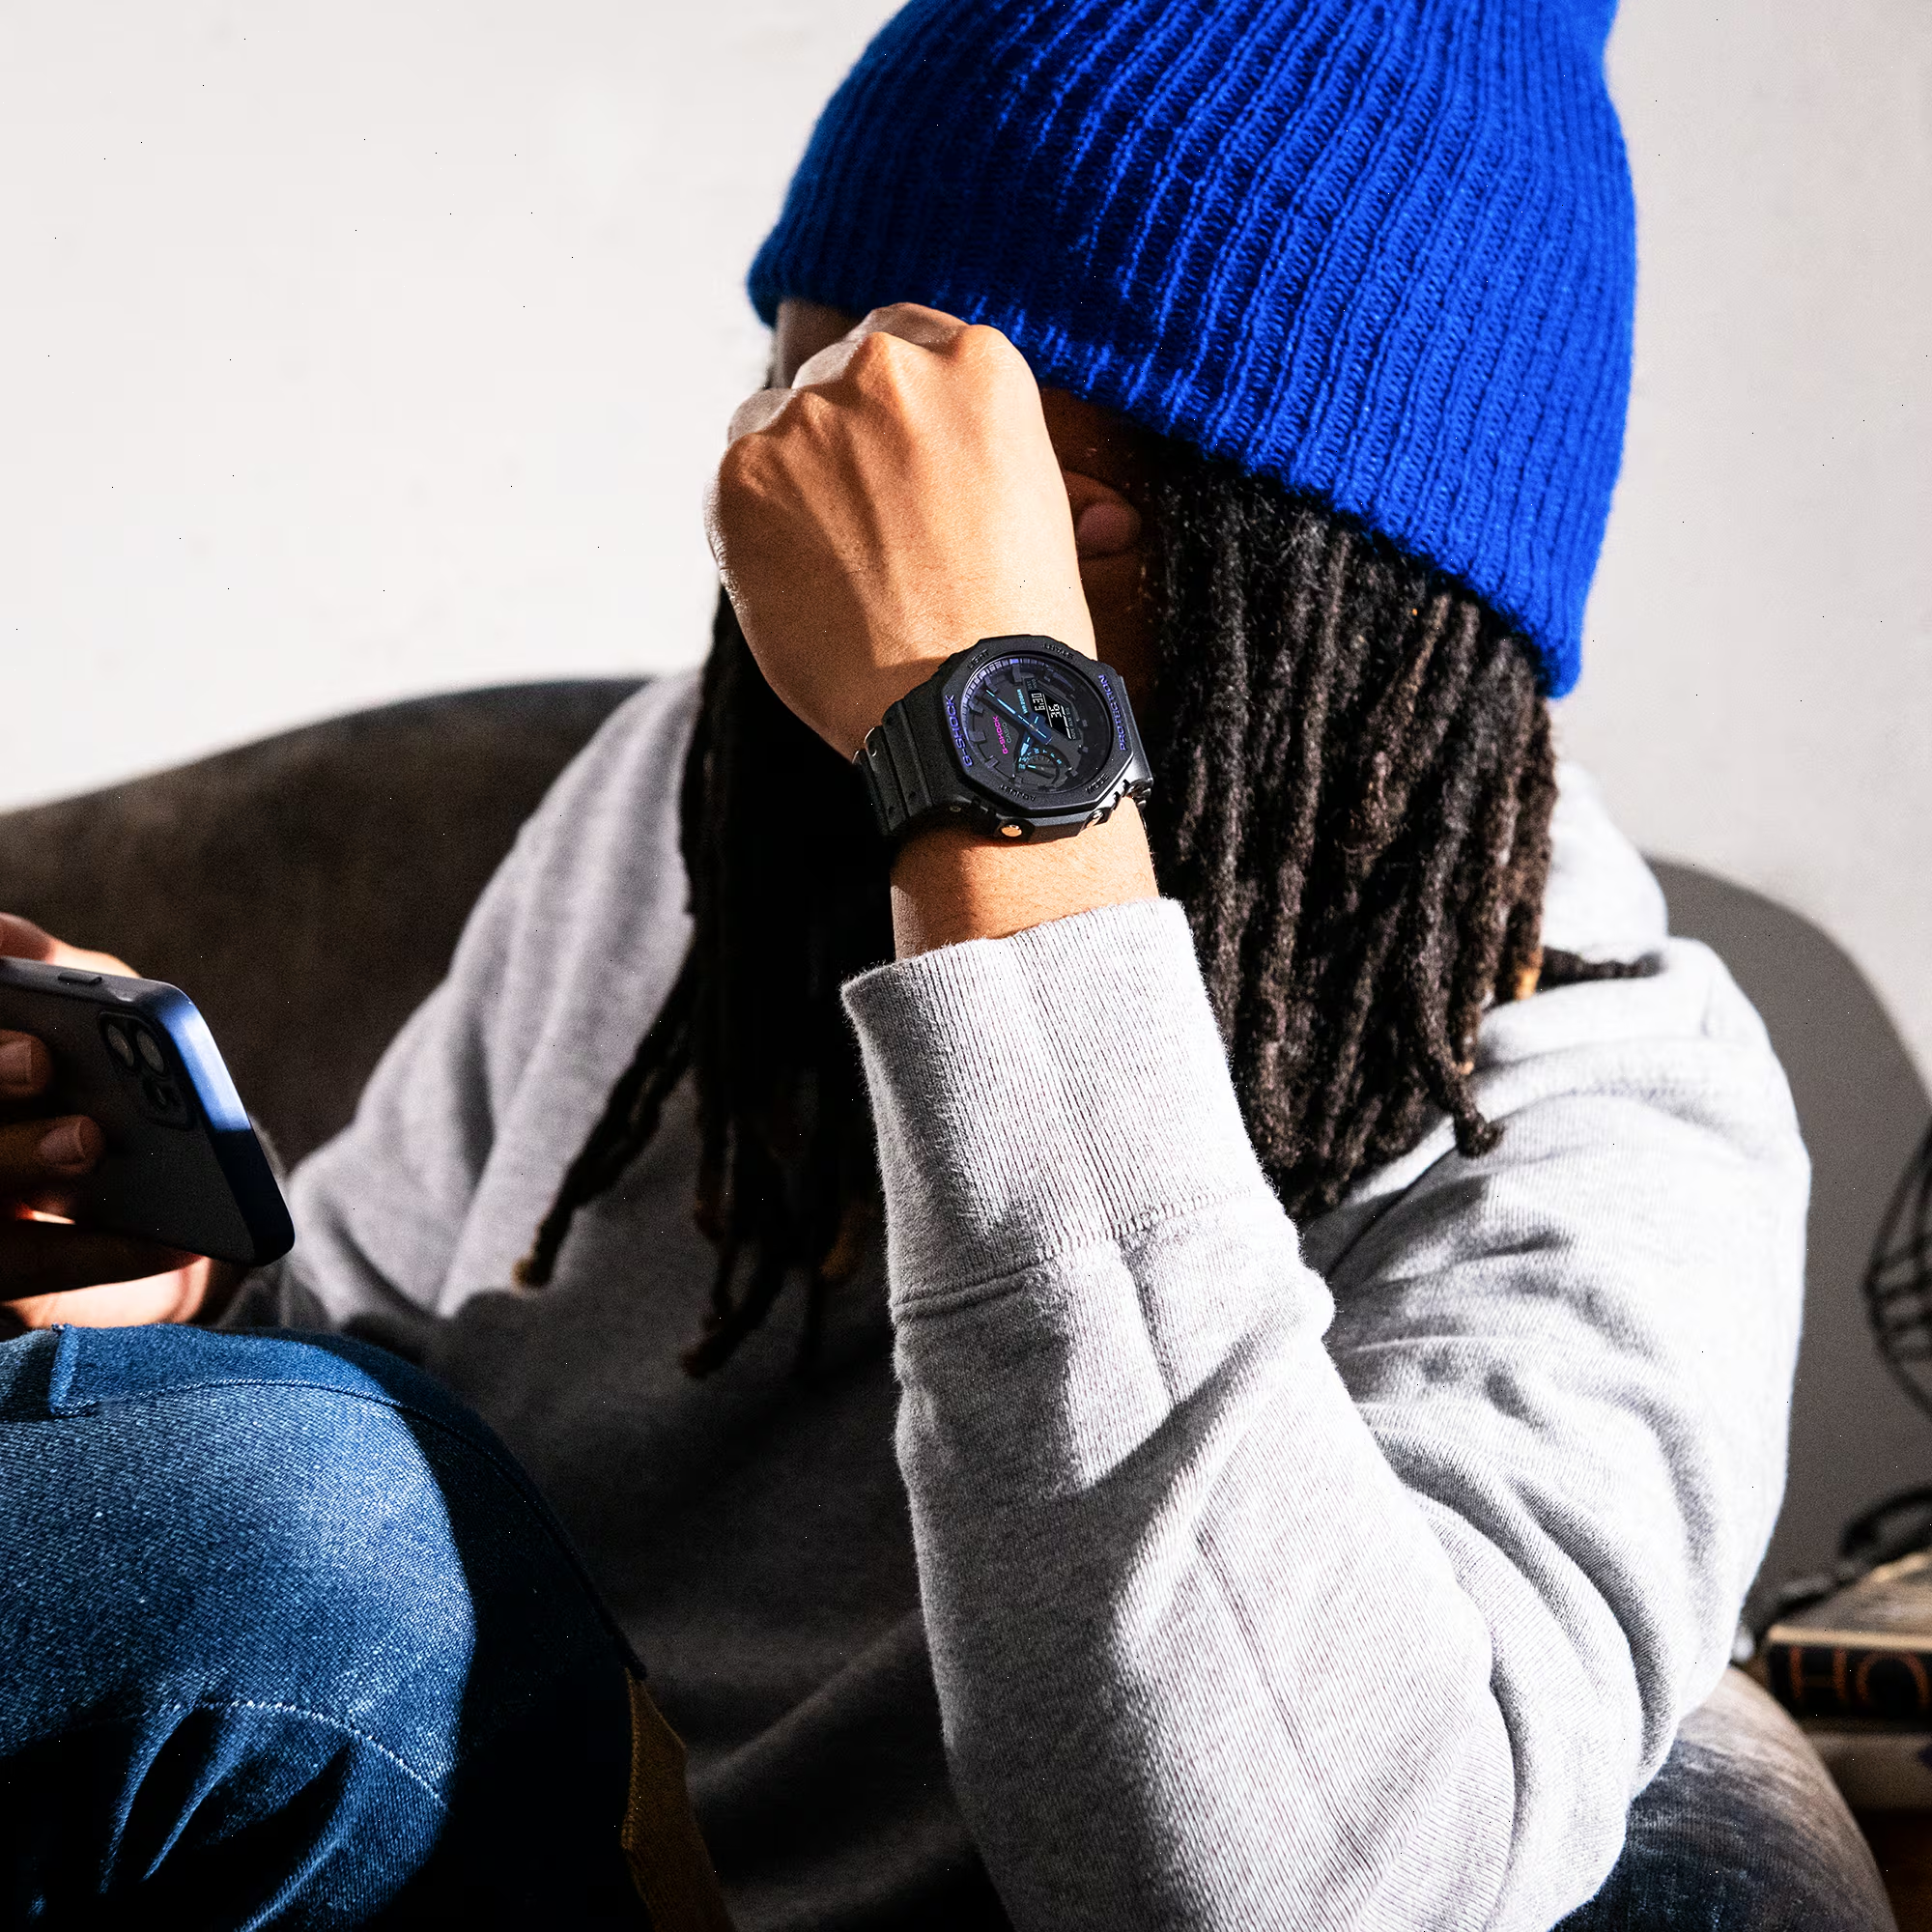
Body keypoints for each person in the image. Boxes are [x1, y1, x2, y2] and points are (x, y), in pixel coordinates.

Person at [0, 0, 1898, 1925]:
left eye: (935, 498)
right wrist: (165, 1310)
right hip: (474, 1843)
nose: (790, 556)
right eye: (801, 424)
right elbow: (386, 1407)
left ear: (1318, 580)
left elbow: (1292, 1889)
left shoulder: (1613, 1123)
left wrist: (992, 767)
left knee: (279, 1527)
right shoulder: (693, 800)